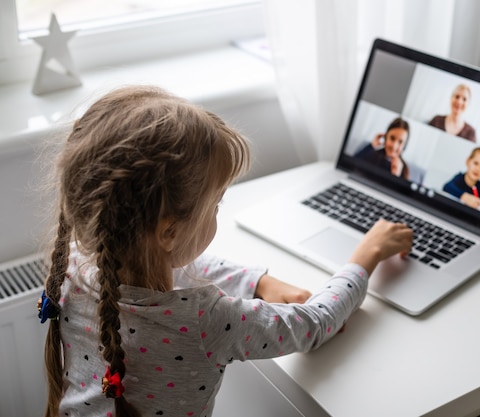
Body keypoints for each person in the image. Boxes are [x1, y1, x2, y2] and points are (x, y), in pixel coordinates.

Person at [38, 85, 413, 417]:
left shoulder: (71, 267)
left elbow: (172, 258)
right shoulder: (205, 321)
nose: (217, 211)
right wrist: (364, 257)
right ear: (168, 231)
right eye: (215, 205)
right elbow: (313, 325)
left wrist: (257, 281)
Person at [443, 147, 480, 213]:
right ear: (468, 161)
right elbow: (447, 187)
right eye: (476, 163)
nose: (477, 169)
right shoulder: (460, 178)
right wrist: (463, 196)